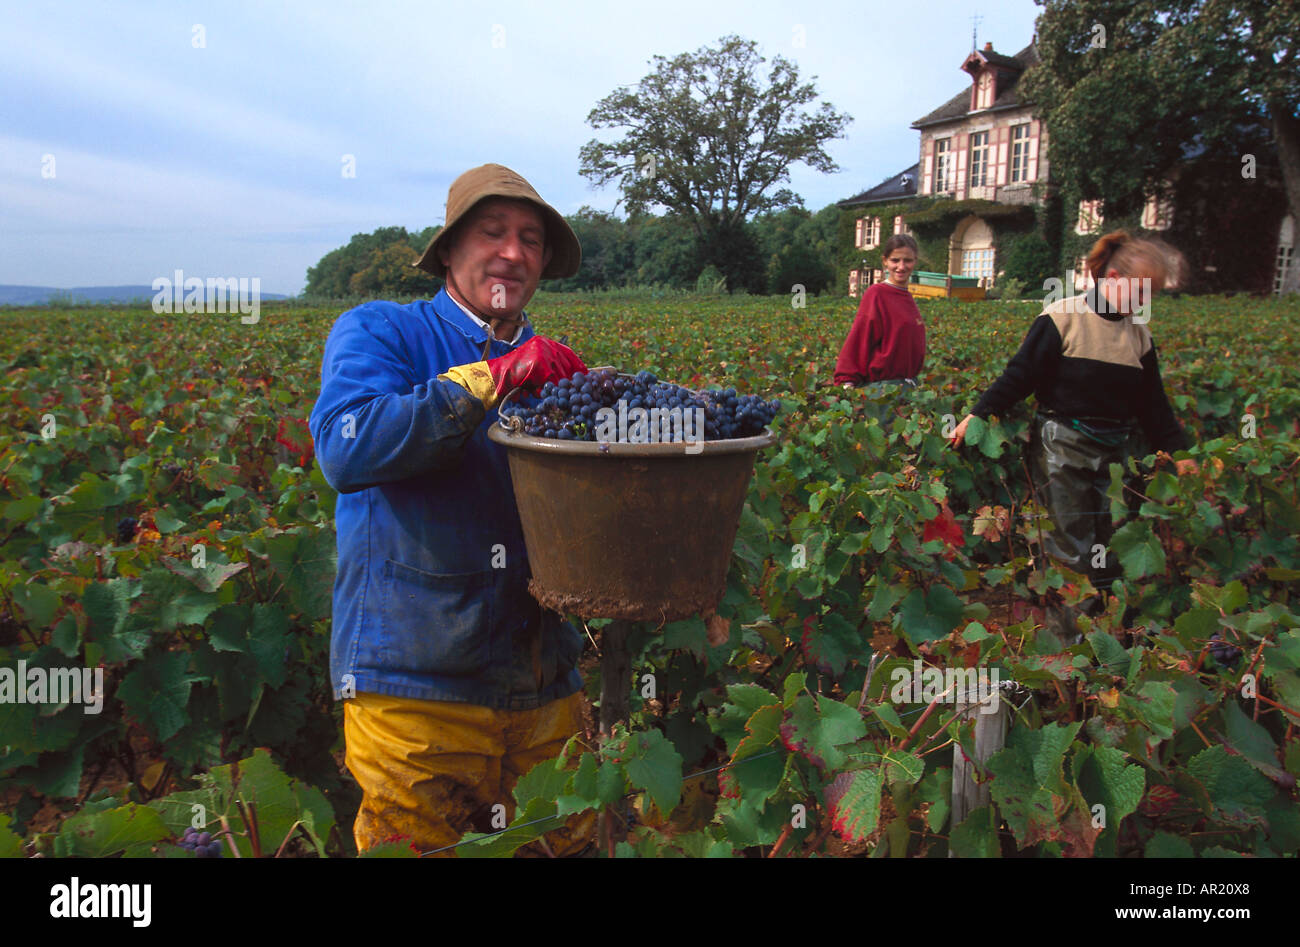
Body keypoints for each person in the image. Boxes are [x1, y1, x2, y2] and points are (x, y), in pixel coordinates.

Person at [309, 163, 595, 856]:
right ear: (448, 251)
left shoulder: (556, 366)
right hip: (413, 686)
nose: (513, 252)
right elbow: (349, 449)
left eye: (531, 239)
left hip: (543, 683)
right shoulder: (380, 331)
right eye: (492, 232)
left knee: (567, 842)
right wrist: (484, 379)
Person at [948, 230, 1197, 626]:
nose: (1145, 303)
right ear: (1113, 278)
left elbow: (1155, 408)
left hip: (1116, 454)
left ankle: (1109, 636)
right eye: (1141, 292)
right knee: (1068, 549)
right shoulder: (1062, 318)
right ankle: (1068, 652)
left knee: (1112, 545)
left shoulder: (1138, 337)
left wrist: (1181, 457)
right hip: (1061, 448)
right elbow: (1019, 377)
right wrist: (977, 414)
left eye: (1151, 294)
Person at [833, 233, 926, 415]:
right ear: (885, 261)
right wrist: (847, 381)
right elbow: (860, 337)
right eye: (895, 260)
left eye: (907, 260)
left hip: (907, 390)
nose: (901, 266)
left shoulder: (907, 297)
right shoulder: (877, 294)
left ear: (915, 262)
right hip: (883, 393)